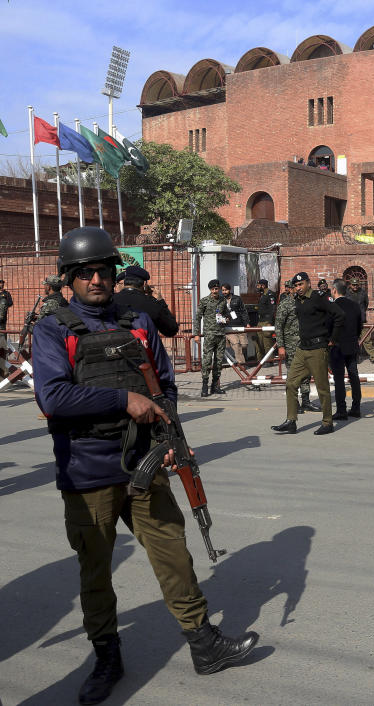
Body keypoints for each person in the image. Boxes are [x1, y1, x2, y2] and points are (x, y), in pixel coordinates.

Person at [32, 227, 258, 705]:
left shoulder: (137, 320)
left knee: (173, 552)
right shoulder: (53, 329)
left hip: (145, 463)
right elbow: (52, 396)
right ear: (69, 278)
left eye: (104, 270)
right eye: (86, 272)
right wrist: (122, 398)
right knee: (96, 571)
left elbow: (165, 389)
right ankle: (107, 656)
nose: (97, 278)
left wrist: (168, 436)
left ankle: (204, 643)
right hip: (88, 470)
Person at [270, 272, 344, 435]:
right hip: (302, 350)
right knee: (291, 383)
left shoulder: (318, 297)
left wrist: (333, 338)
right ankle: (291, 421)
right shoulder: (296, 301)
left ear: (308, 283)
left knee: (322, 388)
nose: (298, 288)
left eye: (301, 284)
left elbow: (339, 315)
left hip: (318, 349)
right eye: (296, 286)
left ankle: (327, 422)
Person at [274, 280, 312, 412]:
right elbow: (278, 327)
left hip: (304, 344)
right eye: (293, 287)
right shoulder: (284, 305)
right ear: (289, 289)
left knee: (306, 373)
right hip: (290, 346)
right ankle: (294, 403)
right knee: (293, 376)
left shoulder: (302, 302)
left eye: (297, 287)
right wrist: (281, 346)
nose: (295, 290)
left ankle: (306, 401)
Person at [113, 265, 179, 337]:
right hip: (143, 346)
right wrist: (160, 301)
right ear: (144, 284)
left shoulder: (111, 300)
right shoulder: (151, 303)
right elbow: (171, 330)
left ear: (125, 282)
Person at [330, 278, 363, 419]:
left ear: (334, 290)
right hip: (352, 345)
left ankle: (341, 410)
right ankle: (356, 408)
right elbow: (360, 325)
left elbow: (328, 326)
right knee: (354, 376)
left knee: (339, 379)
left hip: (337, 347)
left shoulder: (331, 307)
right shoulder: (355, 305)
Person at [192, 280, 226, 398]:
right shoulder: (204, 301)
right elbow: (197, 318)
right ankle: (204, 385)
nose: (215, 291)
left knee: (219, 361)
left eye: (217, 289)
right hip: (209, 335)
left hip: (221, 335)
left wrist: (227, 319)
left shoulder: (223, 300)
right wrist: (196, 333)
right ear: (210, 290)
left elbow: (226, 314)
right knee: (207, 360)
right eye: (213, 289)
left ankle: (215, 385)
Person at [346, 277, 374, 365]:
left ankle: (373, 357)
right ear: (350, 285)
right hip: (351, 321)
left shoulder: (363, 292)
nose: (355, 286)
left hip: (361, 320)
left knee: (366, 339)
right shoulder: (347, 293)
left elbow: (366, 304)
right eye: (353, 285)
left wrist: (362, 313)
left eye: (356, 285)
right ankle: (356, 357)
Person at [220, 282, 249, 363]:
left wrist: (247, 323)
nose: (224, 292)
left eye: (226, 290)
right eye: (222, 290)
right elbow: (219, 314)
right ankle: (242, 365)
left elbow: (243, 311)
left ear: (230, 290)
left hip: (239, 325)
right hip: (229, 327)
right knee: (236, 345)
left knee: (244, 345)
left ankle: (244, 360)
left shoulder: (237, 298)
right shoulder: (221, 300)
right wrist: (223, 321)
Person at [254, 278, 277, 362]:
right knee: (259, 341)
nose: (257, 287)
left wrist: (270, 322)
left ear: (263, 286)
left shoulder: (270, 294)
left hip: (267, 321)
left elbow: (273, 309)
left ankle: (270, 360)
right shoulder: (262, 294)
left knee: (267, 342)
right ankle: (261, 360)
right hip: (260, 320)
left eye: (258, 285)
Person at [0, 278, 9, 376]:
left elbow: (9, 302)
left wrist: (4, 306)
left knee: (2, 346)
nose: (1, 284)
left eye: (2, 283)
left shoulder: (6, 294)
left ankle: (3, 370)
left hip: (1, 324)